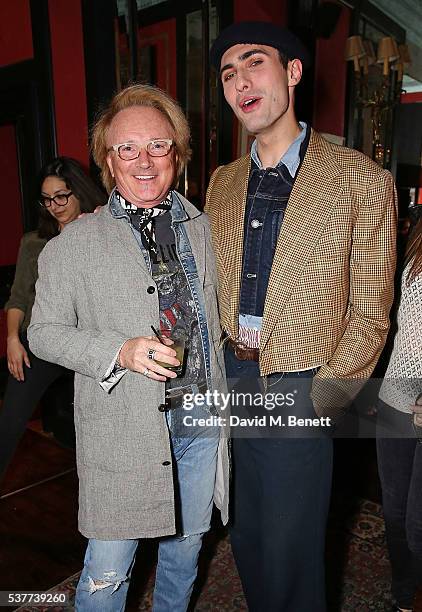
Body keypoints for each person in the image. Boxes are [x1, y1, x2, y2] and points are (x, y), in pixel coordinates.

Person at [206, 21, 397, 611]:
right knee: (248, 533)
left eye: (254, 63)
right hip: (232, 379)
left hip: (299, 386)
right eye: (228, 73)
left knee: (292, 546)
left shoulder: (357, 177)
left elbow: (370, 310)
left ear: (292, 72)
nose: (240, 82)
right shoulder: (223, 181)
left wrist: (325, 398)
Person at [28, 84, 229, 612]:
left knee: (185, 553)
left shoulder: (201, 228)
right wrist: (120, 350)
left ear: (178, 156)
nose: (144, 160)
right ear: (107, 163)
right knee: (108, 573)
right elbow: (43, 333)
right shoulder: (71, 246)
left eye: (158, 146)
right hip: (122, 432)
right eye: (127, 149)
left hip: (200, 425)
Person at [0, 157, 105, 479]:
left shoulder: (101, 235)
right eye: (47, 199)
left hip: (88, 343)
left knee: (95, 424)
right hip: (41, 341)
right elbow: (18, 297)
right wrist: (13, 339)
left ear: (80, 192)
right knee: (10, 421)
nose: (54, 206)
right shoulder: (33, 243)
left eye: (61, 196)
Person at [378, 215, 422, 612]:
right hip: (396, 393)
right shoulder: (414, 239)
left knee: (417, 525)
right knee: (394, 514)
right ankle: (404, 597)